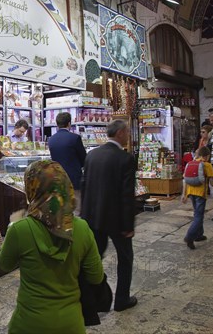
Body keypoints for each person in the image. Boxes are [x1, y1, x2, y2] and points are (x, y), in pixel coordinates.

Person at [0, 160, 104, 334]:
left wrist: (12, 227)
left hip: (28, 323)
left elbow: (4, 264)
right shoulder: (82, 228)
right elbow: (96, 277)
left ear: (32, 188)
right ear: (65, 185)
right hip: (71, 323)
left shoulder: (20, 229)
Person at [81, 119, 137, 312]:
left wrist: (84, 216)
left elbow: (85, 186)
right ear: (120, 133)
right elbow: (126, 195)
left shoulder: (92, 155)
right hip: (117, 220)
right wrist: (128, 225)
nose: (128, 135)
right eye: (127, 132)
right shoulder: (125, 158)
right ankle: (122, 300)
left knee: (93, 259)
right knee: (125, 258)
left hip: (93, 218)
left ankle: (91, 298)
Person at [48, 112, 87, 215]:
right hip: (74, 179)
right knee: (76, 209)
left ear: (57, 124)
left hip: (58, 178)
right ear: (69, 123)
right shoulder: (75, 138)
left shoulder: (51, 140)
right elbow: (84, 159)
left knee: (62, 210)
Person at [181, 147, 213, 249]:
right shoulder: (207, 165)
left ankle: (199, 235)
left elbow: (184, 179)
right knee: (199, 216)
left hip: (190, 192)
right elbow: (212, 182)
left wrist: (184, 194)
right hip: (200, 193)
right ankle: (189, 236)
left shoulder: (191, 163)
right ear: (207, 156)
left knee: (197, 213)